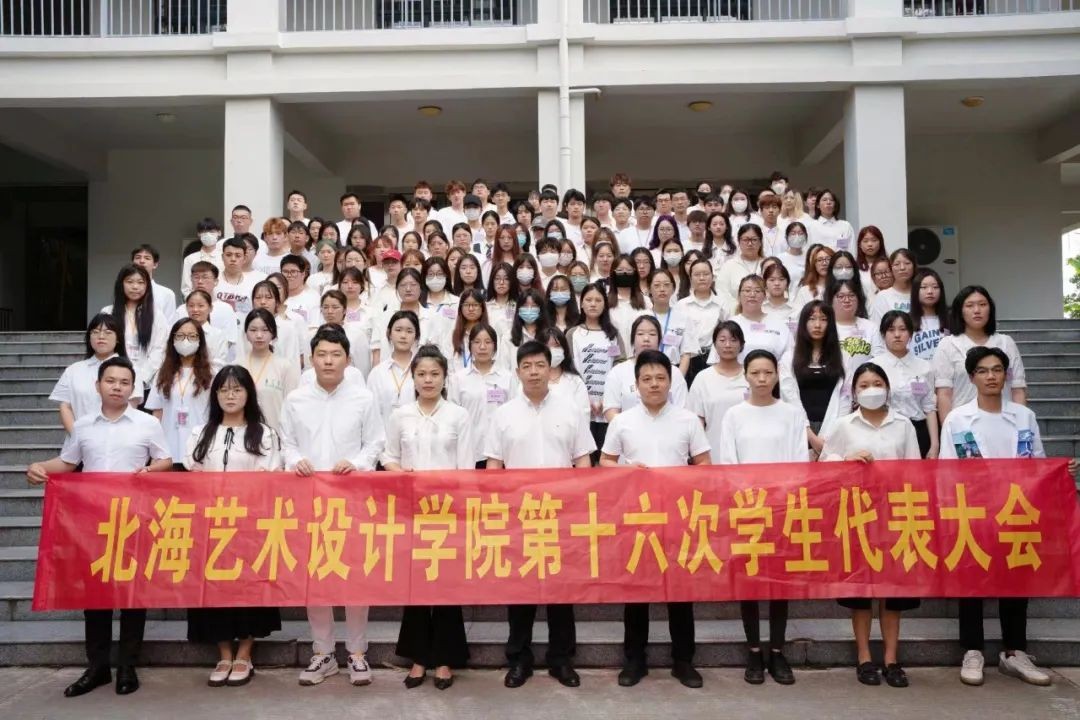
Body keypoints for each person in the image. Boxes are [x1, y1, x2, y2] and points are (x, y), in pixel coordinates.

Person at [27, 357, 172, 697]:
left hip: (134, 518)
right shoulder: (83, 426)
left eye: (124, 382)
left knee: (133, 594)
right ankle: (97, 667)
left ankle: (127, 666)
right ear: (98, 385)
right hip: (92, 521)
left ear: (133, 389)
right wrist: (39, 467)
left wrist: (152, 471)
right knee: (94, 594)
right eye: (111, 381)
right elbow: (68, 463)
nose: (117, 387)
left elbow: (164, 459)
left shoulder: (147, 423)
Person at [940, 346, 1078, 688]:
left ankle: (1015, 651)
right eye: (983, 371)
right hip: (974, 510)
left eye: (997, 370)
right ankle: (972, 649)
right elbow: (946, 468)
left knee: (1017, 578)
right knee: (972, 578)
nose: (991, 376)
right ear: (971, 377)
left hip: (1016, 510)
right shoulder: (958, 418)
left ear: (1006, 375)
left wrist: (1060, 472)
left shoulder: (1023, 416)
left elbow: (1037, 462)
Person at [485, 341, 595, 689]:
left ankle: (561, 659)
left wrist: (579, 506)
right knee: (521, 592)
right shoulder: (503, 414)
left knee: (561, 591)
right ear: (517, 372)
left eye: (540, 365)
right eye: (527, 366)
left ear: (550, 368)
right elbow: (493, 465)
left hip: (561, 515)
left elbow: (583, 461)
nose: (534, 372)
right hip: (518, 515)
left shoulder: (570, 410)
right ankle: (519, 659)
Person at [280, 325, 385, 688]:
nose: (328, 361)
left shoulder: (363, 399)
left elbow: (375, 443)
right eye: (322, 354)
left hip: (352, 499)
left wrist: (356, 463)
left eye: (335, 354)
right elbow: (286, 442)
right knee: (316, 577)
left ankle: (357, 652)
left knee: (355, 576)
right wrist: (295, 460)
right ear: (311, 359)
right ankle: (322, 653)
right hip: (308, 499)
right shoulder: (296, 399)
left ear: (348, 359)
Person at [600, 350, 710, 689]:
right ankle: (635, 660)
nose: (654, 384)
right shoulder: (622, 421)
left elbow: (704, 464)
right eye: (646, 379)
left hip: (678, 517)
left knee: (680, 591)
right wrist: (626, 469)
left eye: (660, 378)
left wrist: (683, 479)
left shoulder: (688, 420)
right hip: (637, 517)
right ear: (636, 385)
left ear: (671, 382)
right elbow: (604, 462)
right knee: (635, 591)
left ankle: (683, 660)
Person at [819, 362, 921, 688]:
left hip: (895, 514)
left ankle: (891, 659)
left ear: (888, 388)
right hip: (857, 515)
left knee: (892, 591)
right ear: (854, 392)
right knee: (861, 591)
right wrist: (845, 461)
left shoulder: (903, 424)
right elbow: (823, 465)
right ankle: (864, 657)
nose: (871, 389)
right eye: (864, 385)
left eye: (877, 383)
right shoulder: (843, 425)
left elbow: (915, 470)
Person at [184, 366, 283, 687]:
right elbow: (193, 475)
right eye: (224, 390)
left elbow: (269, 478)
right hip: (210, 524)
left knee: (249, 586)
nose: (230, 395)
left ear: (248, 394)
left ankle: (245, 652)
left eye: (237, 389)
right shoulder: (200, 432)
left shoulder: (264, 434)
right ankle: (224, 653)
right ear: (215, 395)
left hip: (249, 524)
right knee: (213, 588)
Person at [382, 346, 474, 690]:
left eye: (435, 374)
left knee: (446, 585)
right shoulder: (400, 415)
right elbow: (388, 456)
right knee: (417, 586)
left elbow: (466, 466)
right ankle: (419, 658)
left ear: (445, 377)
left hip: (448, 512)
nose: (428, 380)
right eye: (421, 374)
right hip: (411, 511)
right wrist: (400, 473)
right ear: (413, 378)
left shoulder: (458, 416)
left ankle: (445, 659)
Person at [718, 349, 808, 686]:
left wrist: (782, 497)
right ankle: (754, 650)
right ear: (746, 376)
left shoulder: (791, 414)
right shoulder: (734, 415)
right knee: (750, 581)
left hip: (783, 507)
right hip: (747, 508)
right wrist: (747, 498)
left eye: (767, 372)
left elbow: (799, 461)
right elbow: (729, 462)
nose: (761, 379)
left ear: (776, 375)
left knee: (779, 582)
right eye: (755, 373)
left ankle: (778, 650)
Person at [933, 285, 1026, 420]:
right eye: (969, 306)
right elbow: (944, 394)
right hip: (963, 424)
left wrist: (1021, 423)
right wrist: (948, 427)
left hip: (1005, 420)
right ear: (960, 311)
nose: (977, 310)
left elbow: (1017, 389)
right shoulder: (947, 345)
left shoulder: (1006, 343)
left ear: (990, 309)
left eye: (982, 304)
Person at [567, 283, 628, 461]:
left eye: (598, 300)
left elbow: (619, 366)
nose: (593, 304)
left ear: (605, 304)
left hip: (607, 407)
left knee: (606, 459)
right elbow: (568, 369)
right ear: (581, 304)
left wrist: (606, 399)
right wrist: (585, 399)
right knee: (583, 458)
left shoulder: (613, 335)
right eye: (588, 300)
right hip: (580, 405)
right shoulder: (572, 334)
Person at [145, 317, 217, 467]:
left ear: (200, 341)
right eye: (180, 336)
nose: (185, 341)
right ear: (172, 340)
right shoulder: (162, 373)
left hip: (201, 447)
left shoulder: (212, 374)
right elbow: (157, 414)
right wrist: (154, 452)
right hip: (169, 449)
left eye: (192, 336)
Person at [779, 301, 846, 457]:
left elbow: (845, 397)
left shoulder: (842, 357)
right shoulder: (789, 357)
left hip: (834, 429)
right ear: (803, 323)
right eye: (812, 319)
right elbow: (789, 395)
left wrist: (828, 436)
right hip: (798, 428)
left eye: (823, 319)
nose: (817, 325)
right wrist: (809, 435)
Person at [448, 323, 516, 468]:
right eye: (477, 342)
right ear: (470, 346)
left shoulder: (507, 378)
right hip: (470, 452)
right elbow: (452, 417)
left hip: (501, 453)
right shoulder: (459, 379)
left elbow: (514, 415)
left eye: (488, 342)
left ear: (495, 346)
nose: (482, 347)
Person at [52, 313, 135, 432]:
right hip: (79, 438)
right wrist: (77, 436)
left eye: (108, 332)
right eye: (95, 332)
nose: (101, 336)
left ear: (118, 338)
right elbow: (65, 406)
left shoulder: (130, 369)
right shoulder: (73, 370)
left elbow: (131, 407)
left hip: (118, 437)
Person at [872, 311, 939, 457]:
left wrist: (934, 445)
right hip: (885, 431)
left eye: (902, 329)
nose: (897, 335)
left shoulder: (925, 367)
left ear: (910, 334)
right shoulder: (873, 367)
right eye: (891, 330)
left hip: (919, 431)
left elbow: (929, 407)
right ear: (883, 334)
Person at [603, 315, 689, 421]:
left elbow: (682, 411)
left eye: (652, 334)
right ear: (632, 339)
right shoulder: (617, 372)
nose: (646, 339)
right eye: (640, 334)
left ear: (659, 340)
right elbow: (611, 411)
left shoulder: (674, 372)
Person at [103, 264, 168, 400]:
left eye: (140, 282)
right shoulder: (108, 312)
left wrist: (141, 378)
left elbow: (160, 350)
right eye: (130, 282)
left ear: (147, 286)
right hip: (114, 382)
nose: (135, 287)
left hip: (146, 383)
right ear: (121, 284)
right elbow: (103, 347)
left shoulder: (157, 315)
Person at [688, 320, 750, 454]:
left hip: (749, 448)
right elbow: (696, 420)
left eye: (733, 340)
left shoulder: (751, 375)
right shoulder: (703, 378)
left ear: (742, 345)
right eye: (722, 340)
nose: (728, 345)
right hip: (714, 449)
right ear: (715, 344)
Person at [238, 309, 299, 431]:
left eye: (265, 330)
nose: (259, 335)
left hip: (274, 435)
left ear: (273, 333)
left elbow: (292, 407)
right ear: (246, 334)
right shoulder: (237, 366)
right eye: (253, 330)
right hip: (241, 434)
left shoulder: (285, 367)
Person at [367, 310, 419, 423]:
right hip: (384, 432)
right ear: (389, 334)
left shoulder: (422, 371)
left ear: (416, 336)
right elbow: (371, 413)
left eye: (409, 331)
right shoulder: (377, 373)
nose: (403, 336)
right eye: (398, 330)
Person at [646, 268, 697, 376]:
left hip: (674, 370)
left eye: (666, 285)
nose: (662, 289)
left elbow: (686, 354)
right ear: (649, 289)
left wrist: (678, 379)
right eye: (657, 285)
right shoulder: (642, 317)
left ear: (673, 289)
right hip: (646, 370)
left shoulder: (683, 317)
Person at [715, 223, 766, 305]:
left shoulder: (767, 264)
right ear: (739, 242)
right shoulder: (729, 266)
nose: (750, 243)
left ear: (760, 242)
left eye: (754, 239)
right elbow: (721, 292)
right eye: (746, 240)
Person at [909, 269, 951, 361]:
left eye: (935, 287)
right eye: (924, 287)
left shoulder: (950, 320)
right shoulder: (906, 320)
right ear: (915, 291)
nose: (930, 291)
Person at [869, 249, 916, 327]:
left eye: (907, 263)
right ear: (891, 269)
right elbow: (878, 328)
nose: (902, 268)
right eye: (897, 264)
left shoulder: (921, 293)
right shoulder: (883, 296)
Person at [131, 244, 177, 322]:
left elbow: (170, 324)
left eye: (147, 258)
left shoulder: (167, 294)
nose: (141, 261)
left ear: (155, 265)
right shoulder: (126, 290)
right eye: (138, 257)